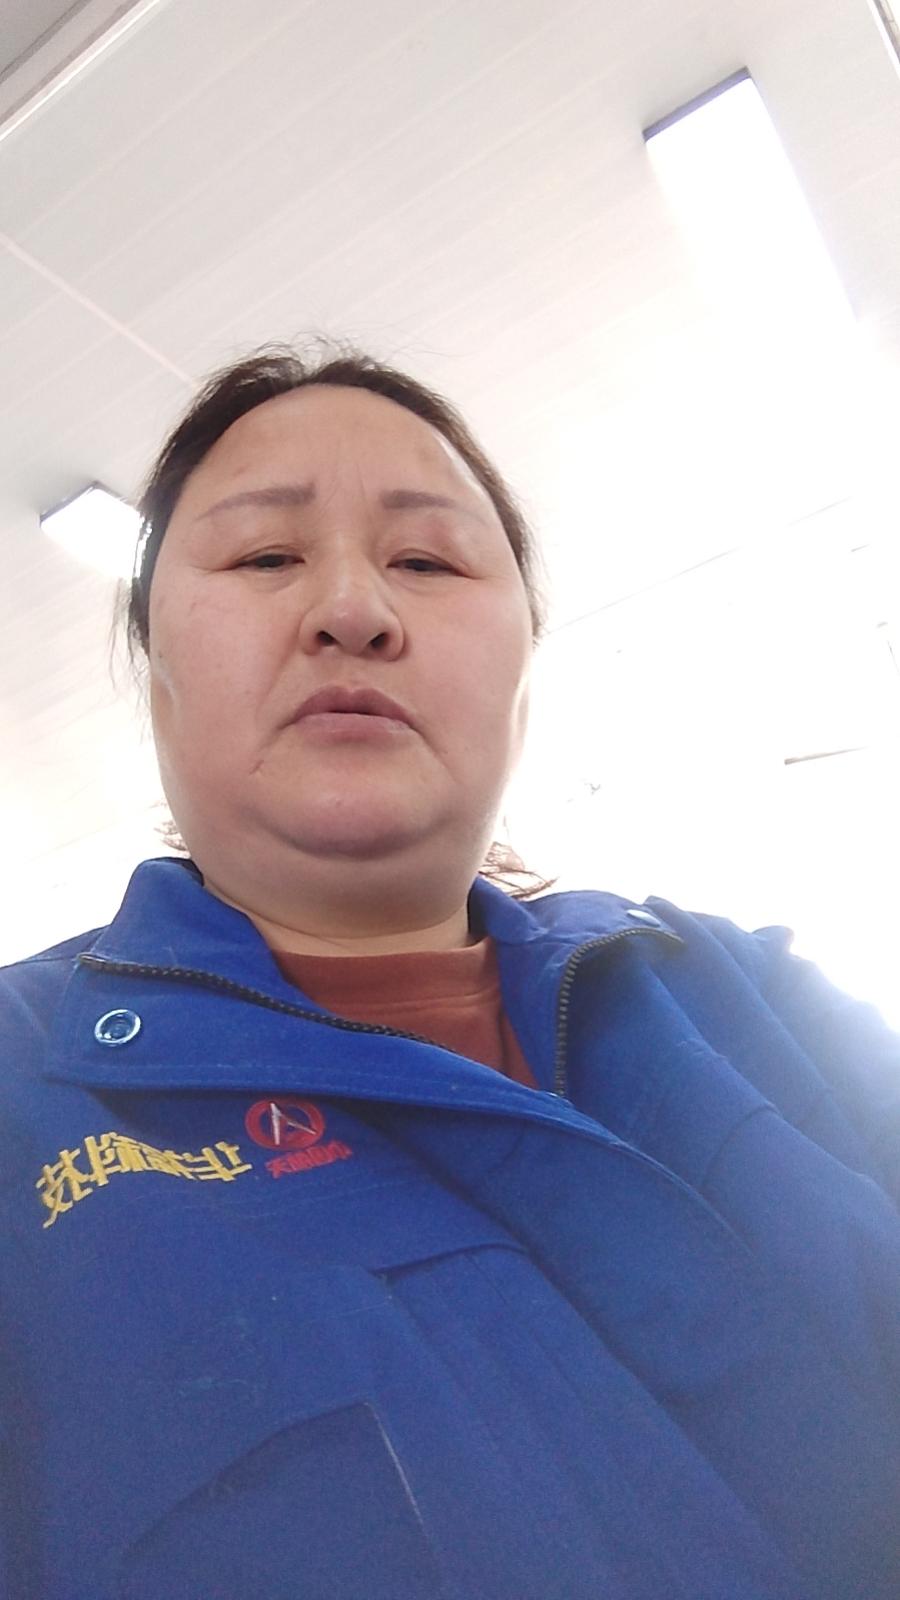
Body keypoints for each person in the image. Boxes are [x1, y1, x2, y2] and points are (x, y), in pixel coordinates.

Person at [2, 342, 899, 1600]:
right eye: (265, 557)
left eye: (427, 560)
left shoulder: (752, 993)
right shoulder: (20, 1095)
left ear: (524, 674)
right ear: (157, 683)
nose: (352, 609)